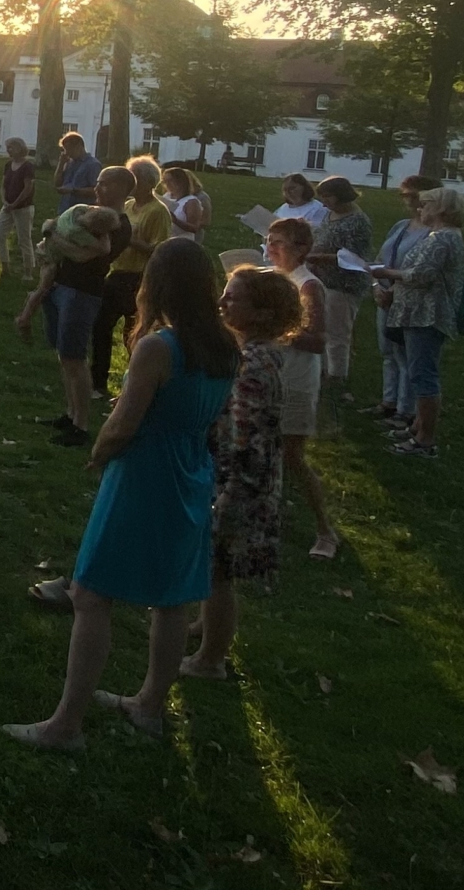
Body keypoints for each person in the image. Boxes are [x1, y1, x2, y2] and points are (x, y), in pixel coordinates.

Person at [4, 238, 237, 750]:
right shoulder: (225, 344)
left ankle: (66, 725)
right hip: (193, 469)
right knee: (172, 598)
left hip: (144, 471)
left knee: (90, 594)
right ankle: (149, 706)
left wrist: (100, 453)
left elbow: (124, 421)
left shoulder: (160, 347)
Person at [181, 267, 300, 679]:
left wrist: (230, 492)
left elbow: (244, 435)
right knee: (213, 565)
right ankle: (203, 626)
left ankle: (210, 659)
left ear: (264, 314)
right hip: (240, 475)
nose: (222, 304)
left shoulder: (253, 364)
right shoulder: (256, 355)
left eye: (233, 298)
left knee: (219, 571)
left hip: (240, 481)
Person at [18, 204, 129, 458]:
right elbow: (52, 223)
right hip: (60, 286)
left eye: (105, 183)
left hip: (81, 293)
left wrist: (53, 235)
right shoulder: (81, 212)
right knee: (64, 353)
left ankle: (81, 425)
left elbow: (86, 254)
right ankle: (70, 414)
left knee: (75, 357)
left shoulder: (117, 225)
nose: (98, 188)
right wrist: (52, 231)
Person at [371, 186, 464, 459]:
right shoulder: (441, 236)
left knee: (423, 375)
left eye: (425, 205)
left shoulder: (443, 238)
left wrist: (385, 272)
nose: (419, 210)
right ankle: (417, 426)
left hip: (427, 315)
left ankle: (425, 440)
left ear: (440, 210)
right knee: (417, 370)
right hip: (417, 313)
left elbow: (421, 275)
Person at [264, 217, 340, 560]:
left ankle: (325, 529)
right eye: (269, 240)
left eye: (280, 242)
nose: (271, 247)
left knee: (292, 456)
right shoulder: (272, 278)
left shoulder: (307, 286)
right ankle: (266, 515)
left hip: (295, 379)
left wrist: (274, 330)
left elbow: (318, 340)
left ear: (302, 249)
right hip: (267, 374)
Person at [92, 159, 173, 398]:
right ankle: (97, 383)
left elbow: (159, 250)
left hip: (139, 278)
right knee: (100, 327)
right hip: (116, 274)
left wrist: (128, 239)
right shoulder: (127, 206)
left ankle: (135, 388)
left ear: (148, 182)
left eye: (135, 178)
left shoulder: (158, 211)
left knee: (133, 334)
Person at [364, 176, 439, 421]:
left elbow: (422, 269)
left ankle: (405, 409)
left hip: (408, 299)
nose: (408, 201)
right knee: (387, 351)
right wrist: (377, 285)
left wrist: (393, 290)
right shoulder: (401, 226)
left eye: (413, 196)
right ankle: (388, 401)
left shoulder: (433, 233)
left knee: (406, 355)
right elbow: (380, 258)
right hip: (385, 294)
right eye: (404, 195)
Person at [306, 176, 373, 393]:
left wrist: (316, 257)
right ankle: (323, 372)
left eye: (327, 197)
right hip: (322, 278)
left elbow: (350, 256)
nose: (324, 202)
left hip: (343, 283)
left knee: (337, 333)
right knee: (322, 327)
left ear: (341, 196)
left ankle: (337, 376)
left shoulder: (357, 222)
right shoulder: (330, 215)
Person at [0, 137, 37, 278]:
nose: (8, 150)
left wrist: (15, 204)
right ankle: (5, 268)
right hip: (7, 207)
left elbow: (27, 188)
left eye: (11, 147)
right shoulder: (8, 165)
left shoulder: (28, 166)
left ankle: (28, 272)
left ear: (19, 148)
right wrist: (4, 201)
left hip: (23, 208)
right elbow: (3, 185)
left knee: (24, 239)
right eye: (8, 147)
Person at [162, 164, 211, 239]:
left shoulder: (191, 201)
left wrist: (175, 220)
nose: (167, 184)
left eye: (170, 180)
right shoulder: (166, 196)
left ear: (180, 181)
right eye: (165, 181)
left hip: (182, 240)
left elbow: (194, 228)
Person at [52, 132, 99, 209]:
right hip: (65, 208)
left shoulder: (93, 164)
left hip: (82, 209)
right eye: (64, 150)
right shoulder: (69, 163)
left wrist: (73, 191)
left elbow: (96, 190)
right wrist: (61, 164)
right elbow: (57, 183)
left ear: (79, 147)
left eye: (69, 149)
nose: (67, 153)